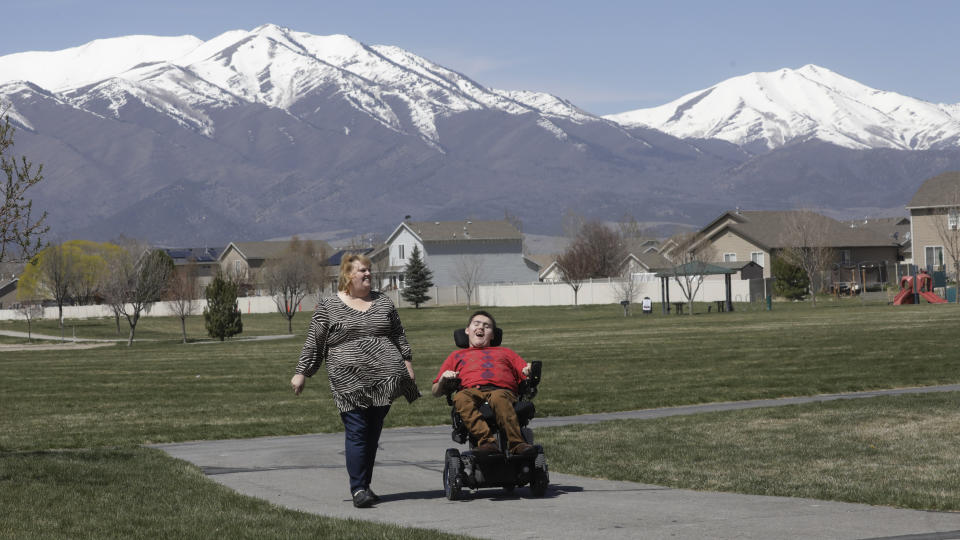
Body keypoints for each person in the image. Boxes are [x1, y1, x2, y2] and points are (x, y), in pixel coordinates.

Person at [291, 253, 420, 508]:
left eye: (369, 271)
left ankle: (364, 486)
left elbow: (398, 335)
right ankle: (358, 488)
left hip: (385, 379)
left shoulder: (383, 302)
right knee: (357, 430)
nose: (368, 274)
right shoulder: (329, 306)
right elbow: (314, 342)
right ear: (348, 275)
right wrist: (302, 372)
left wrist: (407, 363)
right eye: (362, 271)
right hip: (348, 380)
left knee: (372, 433)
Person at [431, 310, 536, 456]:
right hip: (471, 391)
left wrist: (529, 371)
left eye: (487, 326)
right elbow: (435, 391)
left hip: (502, 390)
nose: (481, 328)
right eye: (477, 324)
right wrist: (443, 378)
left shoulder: (506, 352)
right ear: (467, 330)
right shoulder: (456, 356)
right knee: (460, 398)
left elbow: (526, 373)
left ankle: (517, 443)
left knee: (498, 397)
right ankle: (486, 442)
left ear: (493, 335)